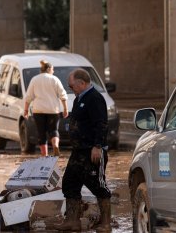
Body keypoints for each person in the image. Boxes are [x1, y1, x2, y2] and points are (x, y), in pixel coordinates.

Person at [56, 68, 111, 232]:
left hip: (92, 151)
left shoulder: (94, 98)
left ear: (81, 83)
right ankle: (72, 221)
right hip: (78, 151)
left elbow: (101, 124)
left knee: (98, 186)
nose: (70, 88)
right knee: (70, 184)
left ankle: (106, 223)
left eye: (71, 86)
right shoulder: (79, 98)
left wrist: (98, 146)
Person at [24, 60, 68, 156]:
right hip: (53, 110)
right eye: (53, 69)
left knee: (41, 133)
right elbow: (63, 95)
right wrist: (65, 109)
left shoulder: (34, 79)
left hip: (38, 110)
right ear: (49, 69)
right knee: (54, 130)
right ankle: (55, 145)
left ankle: (45, 155)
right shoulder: (54, 79)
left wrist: (26, 110)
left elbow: (28, 97)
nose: (53, 71)